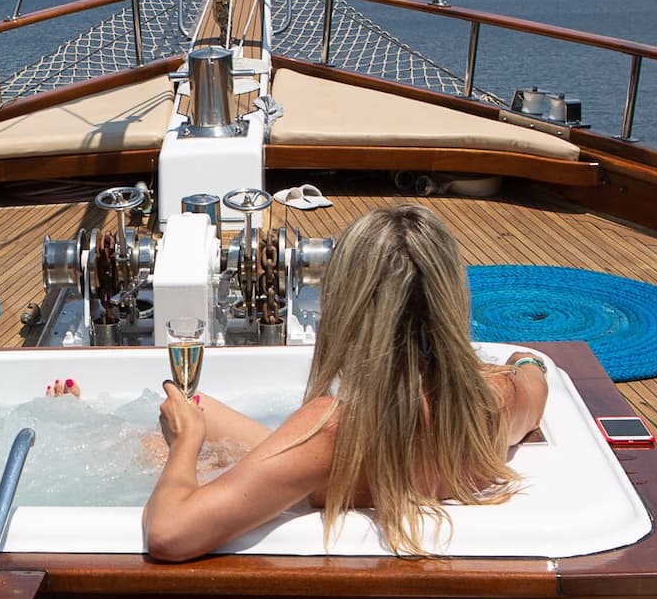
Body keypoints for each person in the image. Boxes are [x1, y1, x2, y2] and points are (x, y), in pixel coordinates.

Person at [142, 203, 548, 562]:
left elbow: (169, 533)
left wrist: (187, 441)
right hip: (328, 471)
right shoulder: (497, 400)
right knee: (202, 408)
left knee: (162, 439)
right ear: (451, 299)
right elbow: (535, 380)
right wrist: (523, 361)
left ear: (348, 306)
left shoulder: (332, 430)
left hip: (320, 471)